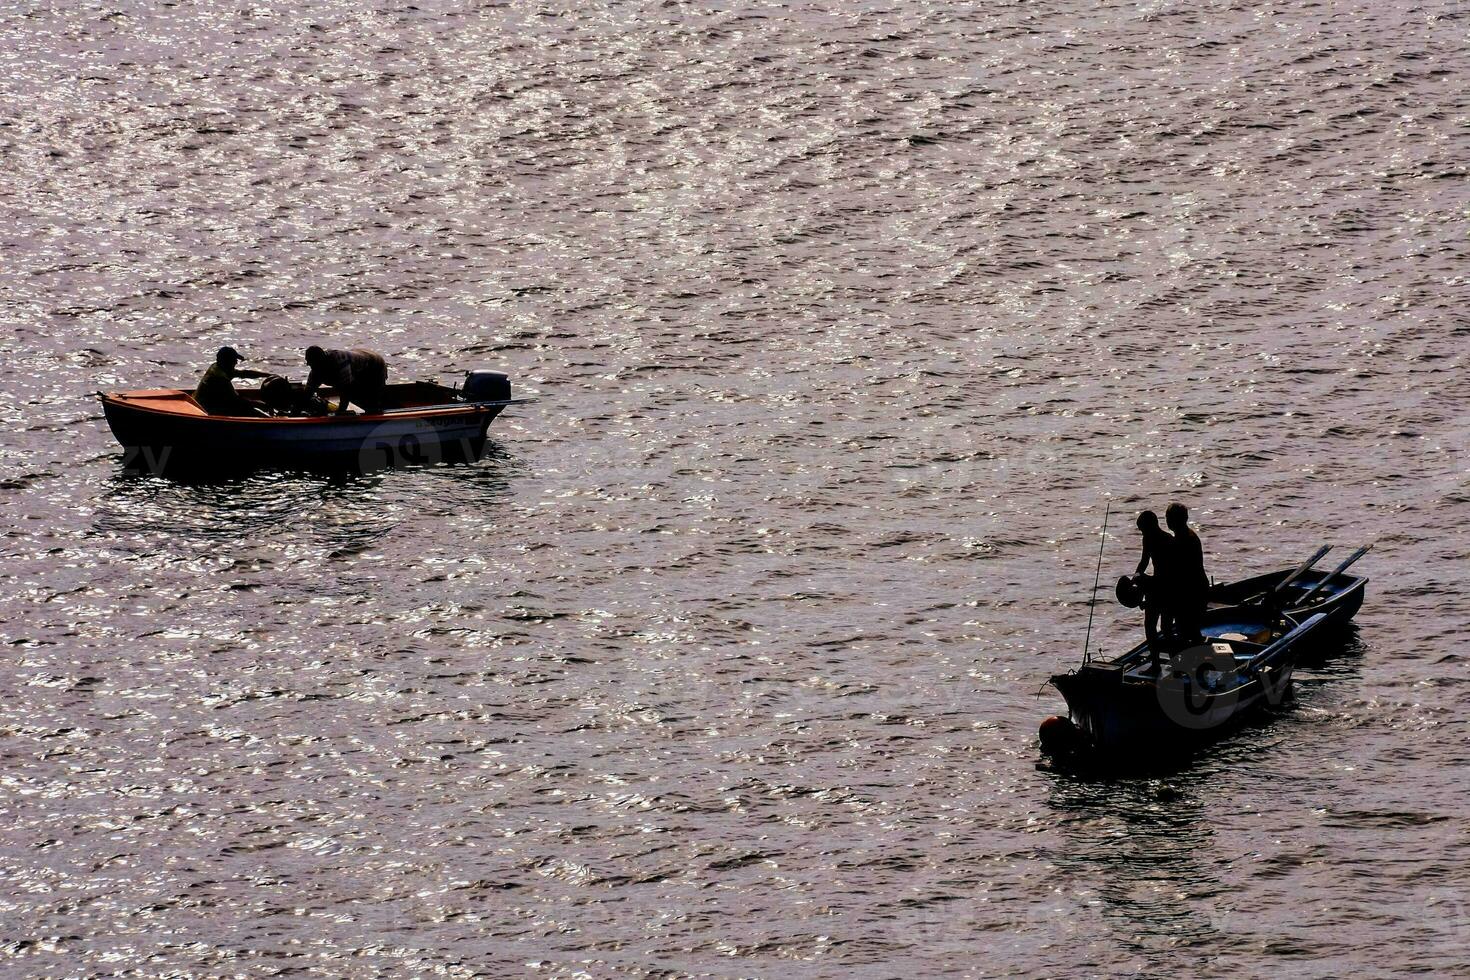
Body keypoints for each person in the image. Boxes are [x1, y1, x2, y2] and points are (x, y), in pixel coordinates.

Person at [1133, 510, 1178, 665]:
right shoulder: (1148, 539)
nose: (1142, 533)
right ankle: (1155, 662)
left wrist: (1146, 581)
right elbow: (1144, 561)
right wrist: (1137, 576)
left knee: (1166, 628)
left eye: (1143, 529)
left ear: (1151, 526)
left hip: (1167, 588)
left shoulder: (1168, 540)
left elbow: (1171, 572)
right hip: (1155, 588)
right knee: (1150, 626)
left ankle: (1175, 663)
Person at [1166, 503, 1210, 641]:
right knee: (1189, 631)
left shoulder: (1184, 540)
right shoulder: (1185, 536)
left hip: (1191, 593)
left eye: (1169, 517)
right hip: (1195, 590)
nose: (1167, 521)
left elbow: (1179, 573)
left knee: (1187, 632)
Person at [304, 346, 388, 415]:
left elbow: (347, 389)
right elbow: (308, 392)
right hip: (357, 361)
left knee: (372, 401)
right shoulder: (315, 371)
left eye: (311, 362)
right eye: (307, 362)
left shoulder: (339, 362)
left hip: (374, 364)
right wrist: (296, 410)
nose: (308, 365)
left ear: (320, 361)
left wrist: (341, 411)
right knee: (356, 396)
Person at [193, 346, 268, 416]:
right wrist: (260, 405)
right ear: (226, 361)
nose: (236, 362)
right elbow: (237, 401)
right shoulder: (219, 378)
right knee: (247, 410)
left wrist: (268, 375)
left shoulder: (218, 367)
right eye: (234, 360)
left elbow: (244, 373)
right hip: (205, 409)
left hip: (206, 403)